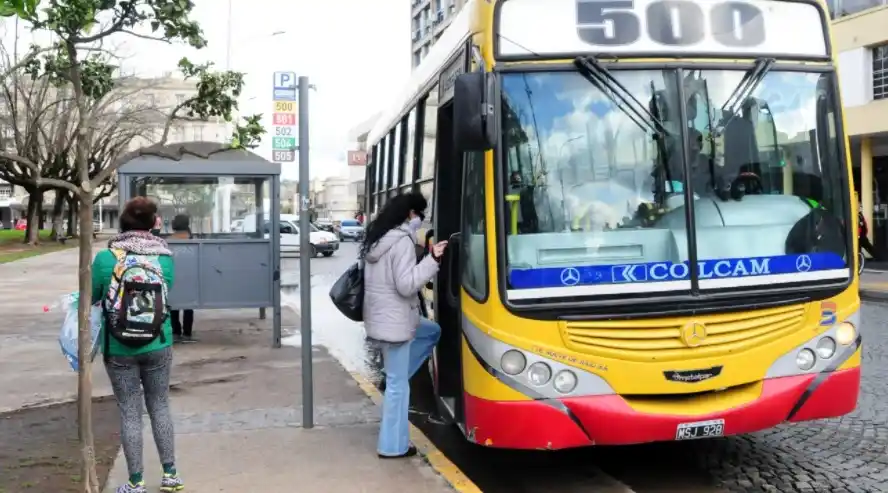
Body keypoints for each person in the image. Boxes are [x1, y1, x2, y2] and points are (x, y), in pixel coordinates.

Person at [91, 197, 183, 493]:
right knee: (159, 406)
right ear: (154, 223)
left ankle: (136, 482)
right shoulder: (164, 258)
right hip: (158, 342)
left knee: (130, 411)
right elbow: (166, 294)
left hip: (118, 347)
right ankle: (170, 476)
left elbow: (94, 295)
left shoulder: (106, 259)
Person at [362, 192, 447, 458]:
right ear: (411, 214)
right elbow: (406, 285)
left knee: (432, 331)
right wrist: (433, 260)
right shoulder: (401, 242)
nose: (421, 221)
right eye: (420, 215)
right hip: (395, 323)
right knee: (399, 387)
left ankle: (396, 376)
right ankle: (392, 447)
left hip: (383, 319)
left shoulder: (379, 239)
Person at [169, 214, 196, 343]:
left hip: (175, 276)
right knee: (188, 306)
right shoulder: (192, 240)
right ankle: (187, 334)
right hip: (189, 276)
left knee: (173, 305)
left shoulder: (169, 240)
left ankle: (176, 332)